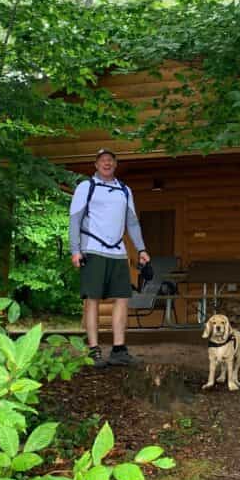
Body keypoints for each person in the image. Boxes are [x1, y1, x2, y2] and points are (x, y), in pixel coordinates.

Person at [69, 149, 150, 367]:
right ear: (96, 165)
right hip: (92, 249)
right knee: (92, 299)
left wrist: (141, 249)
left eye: (110, 160)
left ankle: (119, 349)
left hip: (118, 251)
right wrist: (75, 250)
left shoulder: (124, 190)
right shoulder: (86, 187)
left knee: (122, 298)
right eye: (102, 160)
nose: (106, 163)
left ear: (115, 164)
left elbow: (132, 223)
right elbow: (75, 220)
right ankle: (93, 350)